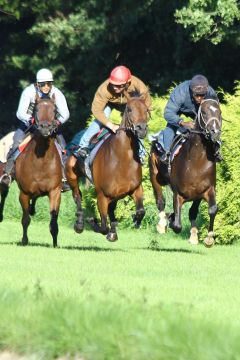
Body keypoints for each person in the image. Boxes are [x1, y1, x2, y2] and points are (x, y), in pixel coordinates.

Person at [0, 68, 70, 190]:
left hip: (50, 126)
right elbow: (20, 112)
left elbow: (65, 113)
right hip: (29, 124)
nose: (46, 86)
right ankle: (8, 173)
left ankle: (64, 178)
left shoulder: (57, 93)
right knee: (16, 142)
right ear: (37, 84)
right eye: (43, 84)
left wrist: (57, 122)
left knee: (63, 147)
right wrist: (31, 120)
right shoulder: (28, 92)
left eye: (49, 83)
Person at [76, 65, 152, 163]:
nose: (114, 87)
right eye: (113, 84)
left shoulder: (139, 86)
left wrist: (141, 120)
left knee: (138, 122)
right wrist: (110, 125)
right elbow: (96, 110)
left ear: (127, 83)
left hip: (130, 104)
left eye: (119, 85)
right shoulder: (104, 88)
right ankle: (83, 146)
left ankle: (141, 153)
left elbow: (147, 107)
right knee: (105, 113)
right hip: (109, 105)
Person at [157, 74, 222, 162]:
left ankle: (217, 151)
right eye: (197, 95)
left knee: (213, 126)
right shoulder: (180, 92)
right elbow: (168, 113)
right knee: (170, 126)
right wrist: (182, 122)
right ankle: (167, 153)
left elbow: (215, 111)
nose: (200, 98)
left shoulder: (210, 92)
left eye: (203, 95)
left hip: (201, 111)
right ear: (191, 92)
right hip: (180, 110)